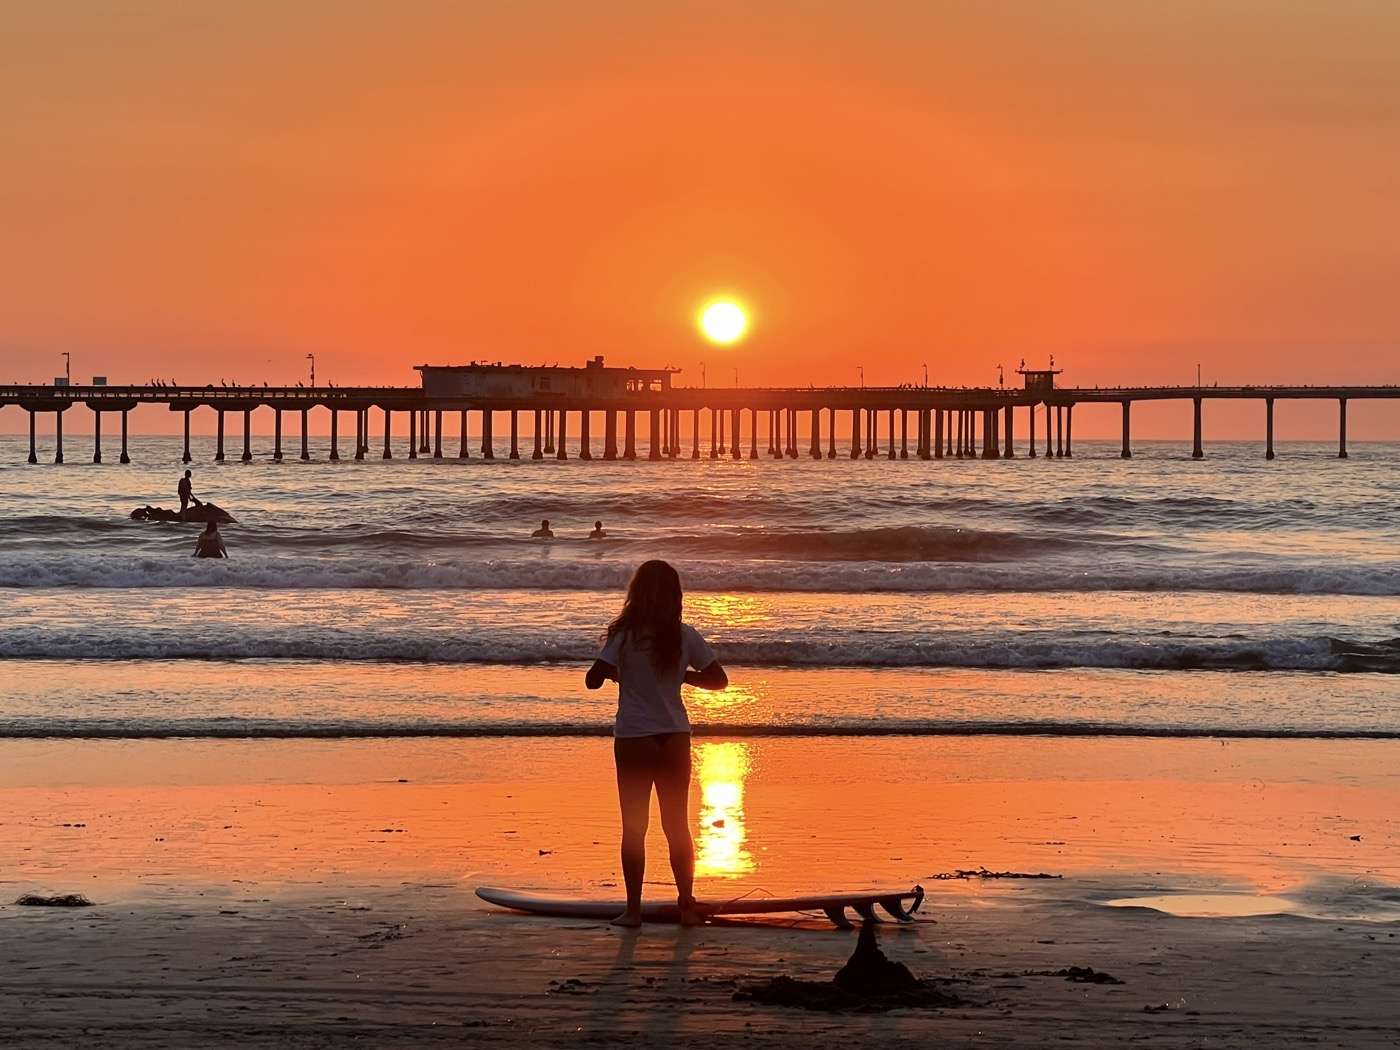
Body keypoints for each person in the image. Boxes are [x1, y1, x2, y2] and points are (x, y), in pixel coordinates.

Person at [585, 560, 728, 927]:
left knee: (634, 827)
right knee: (677, 825)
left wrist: (620, 674)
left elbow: (592, 680)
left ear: (636, 593)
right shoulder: (684, 635)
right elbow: (719, 681)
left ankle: (633, 911)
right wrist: (683, 678)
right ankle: (686, 907)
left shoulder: (624, 636)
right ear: (675, 595)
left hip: (635, 736)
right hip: (674, 737)